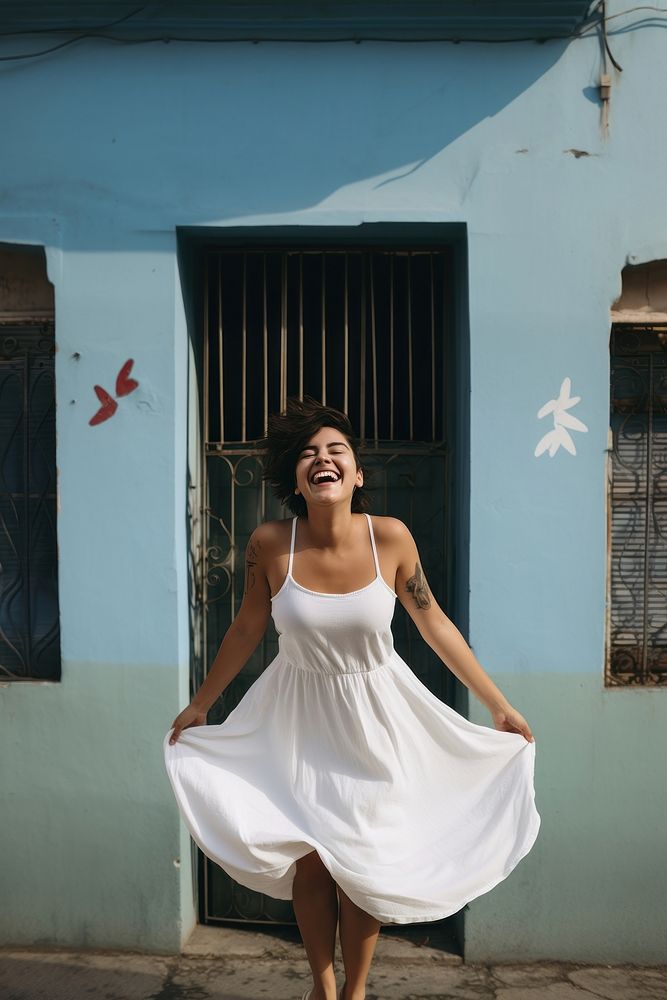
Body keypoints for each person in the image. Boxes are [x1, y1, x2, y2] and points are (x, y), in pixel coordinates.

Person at [164, 395, 540, 1000]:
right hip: (295, 715)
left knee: (360, 858)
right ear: (298, 477)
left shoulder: (389, 538)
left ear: (357, 474)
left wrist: (497, 704)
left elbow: (434, 624)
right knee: (312, 857)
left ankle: (357, 991)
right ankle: (323, 985)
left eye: (336, 450)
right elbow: (245, 629)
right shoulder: (270, 542)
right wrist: (202, 703)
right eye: (309, 453)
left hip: (376, 714)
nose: (323, 459)